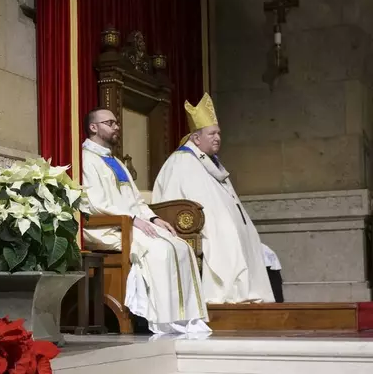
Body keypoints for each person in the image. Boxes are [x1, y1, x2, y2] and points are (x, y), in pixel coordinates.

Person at [81, 107, 210, 334]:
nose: (116, 127)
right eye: (109, 123)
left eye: (116, 123)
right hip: (108, 226)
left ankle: (187, 318)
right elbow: (94, 202)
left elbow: (136, 200)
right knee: (160, 250)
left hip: (132, 223)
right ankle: (163, 320)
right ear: (93, 127)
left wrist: (153, 218)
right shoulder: (86, 159)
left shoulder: (116, 162)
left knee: (181, 246)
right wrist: (131, 219)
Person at [152, 93, 283, 304]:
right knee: (226, 237)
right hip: (195, 227)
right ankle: (229, 295)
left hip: (218, 225)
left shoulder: (212, 162)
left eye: (219, 133)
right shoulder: (181, 162)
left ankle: (248, 294)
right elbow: (172, 202)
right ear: (196, 138)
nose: (217, 138)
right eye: (212, 133)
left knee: (248, 237)